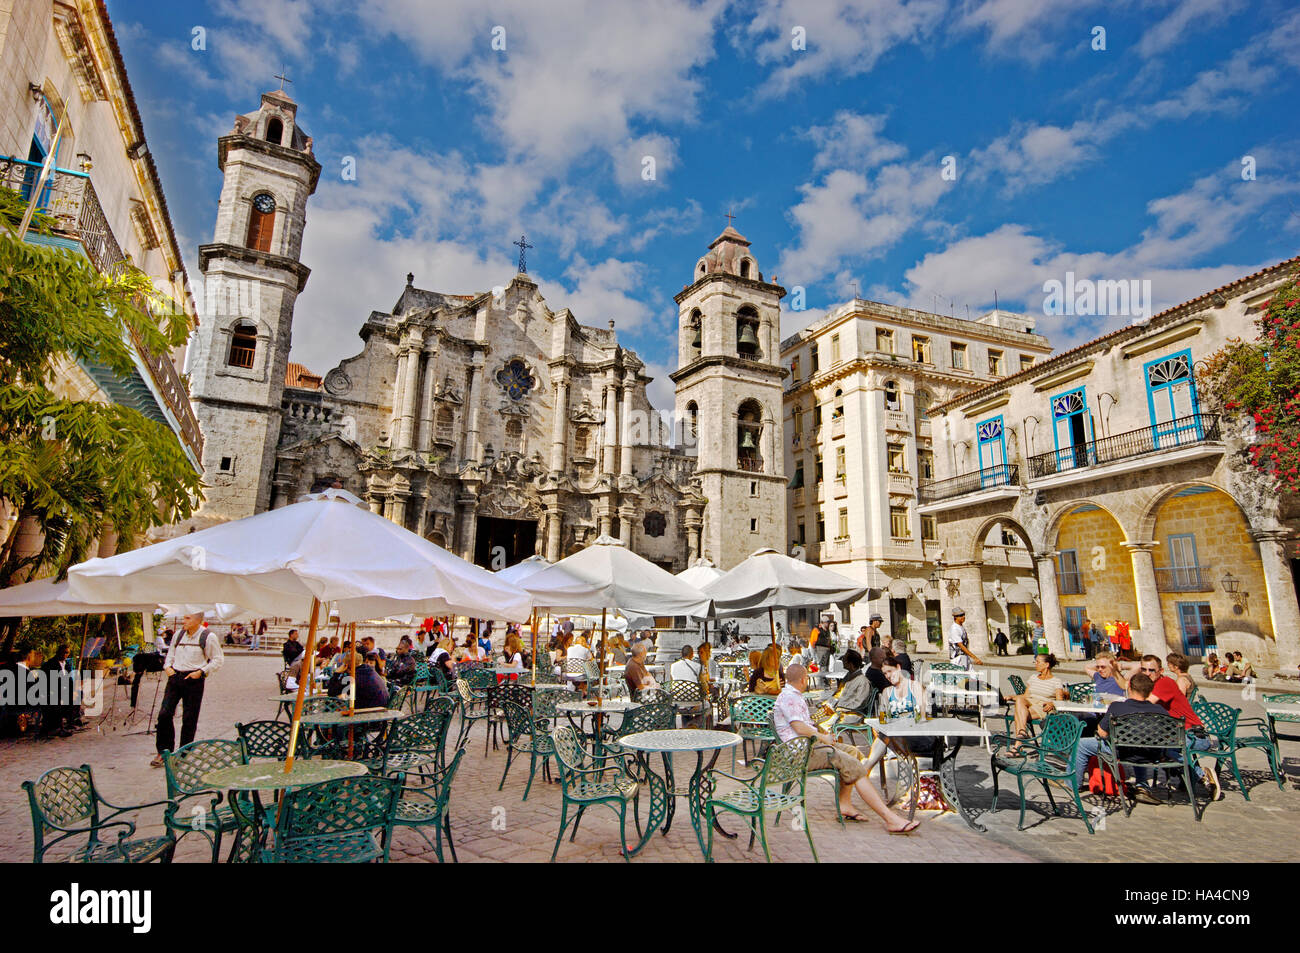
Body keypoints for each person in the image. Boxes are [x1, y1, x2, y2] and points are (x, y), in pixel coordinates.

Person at [775, 663, 919, 832]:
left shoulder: (790, 695)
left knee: (853, 753)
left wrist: (823, 734)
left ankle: (845, 804)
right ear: (803, 679)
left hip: (807, 747)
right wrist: (823, 738)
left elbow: (802, 727)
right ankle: (890, 818)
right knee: (853, 765)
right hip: (802, 754)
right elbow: (799, 728)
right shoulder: (790, 698)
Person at [1073, 673, 1169, 803]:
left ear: (1129, 688)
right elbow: (1167, 735)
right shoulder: (1160, 710)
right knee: (1139, 743)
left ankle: (1074, 783)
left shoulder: (1117, 707)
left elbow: (1102, 732)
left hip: (1122, 752)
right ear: (1149, 691)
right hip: (1151, 754)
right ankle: (1142, 786)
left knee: (1082, 745)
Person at [152, 611, 223, 767]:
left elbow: (218, 659)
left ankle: (183, 753)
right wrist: (167, 667)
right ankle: (164, 752)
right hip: (175, 677)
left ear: (198, 620)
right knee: (164, 714)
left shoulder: (208, 637)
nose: (183, 620)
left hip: (194, 679)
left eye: (187, 618)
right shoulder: (178, 634)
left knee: (189, 718)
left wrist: (201, 672)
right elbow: (171, 653)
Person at [1008, 653, 1066, 745]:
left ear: (1046, 665)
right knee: (1019, 701)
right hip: (1030, 702)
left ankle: (1018, 746)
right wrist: (1011, 697)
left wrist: (1052, 703)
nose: (1035, 664)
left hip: (1043, 706)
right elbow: (1025, 696)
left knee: (1018, 713)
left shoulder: (1056, 681)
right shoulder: (1033, 677)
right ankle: (1023, 732)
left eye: (1038, 662)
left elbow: (1060, 701)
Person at [831, 650, 873, 718]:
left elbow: (858, 704)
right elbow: (838, 693)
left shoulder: (863, 681)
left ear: (850, 664)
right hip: (840, 710)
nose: (842, 662)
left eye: (844, 660)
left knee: (818, 723)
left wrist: (840, 706)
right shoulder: (848, 676)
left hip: (851, 714)